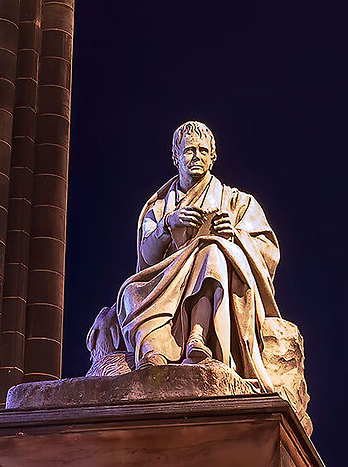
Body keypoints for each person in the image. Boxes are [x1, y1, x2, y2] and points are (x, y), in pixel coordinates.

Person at [87, 120, 310, 428]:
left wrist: (234, 237)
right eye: (189, 151)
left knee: (213, 253)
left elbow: (268, 251)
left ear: (213, 156)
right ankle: (153, 354)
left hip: (209, 273)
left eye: (204, 151)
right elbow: (146, 258)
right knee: (130, 292)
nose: (197, 157)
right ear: (175, 156)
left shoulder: (236, 201)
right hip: (165, 278)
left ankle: (197, 339)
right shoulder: (160, 205)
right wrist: (168, 225)